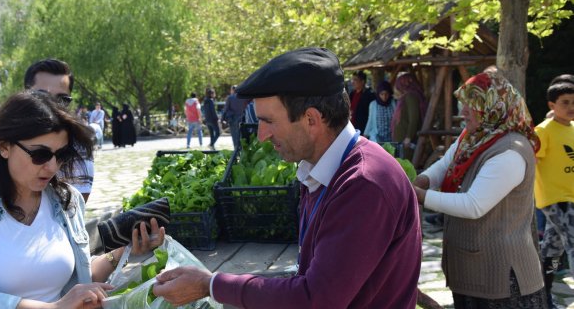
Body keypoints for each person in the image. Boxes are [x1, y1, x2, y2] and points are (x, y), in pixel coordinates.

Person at [153, 47, 421, 308]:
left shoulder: (364, 184)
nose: (262, 135)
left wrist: (211, 285)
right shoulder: (324, 169)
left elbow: (315, 299)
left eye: (269, 121)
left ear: (311, 119)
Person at [0, 91, 164, 308]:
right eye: (40, 154)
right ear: (4, 146)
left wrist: (123, 251)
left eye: (61, 155)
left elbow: (74, 281)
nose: (52, 166)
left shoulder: (67, 199)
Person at [411, 70, 546, 308]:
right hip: (473, 274)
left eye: (471, 105)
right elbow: (445, 165)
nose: (463, 111)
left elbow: (474, 205)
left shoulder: (511, 150)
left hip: (502, 281)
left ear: (493, 106)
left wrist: (419, 196)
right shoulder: (475, 136)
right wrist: (421, 181)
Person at [24, 58, 95, 202]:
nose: (51, 104)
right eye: (42, 96)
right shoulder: (4, 136)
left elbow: (75, 207)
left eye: (62, 99)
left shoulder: (78, 144)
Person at [534, 75, 574, 308]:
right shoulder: (543, 131)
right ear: (552, 106)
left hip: (571, 197)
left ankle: (542, 295)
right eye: (565, 102)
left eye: (573, 102)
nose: (570, 107)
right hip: (556, 199)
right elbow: (532, 162)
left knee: (552, 249)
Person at [391, 72, 426, 160]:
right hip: (402, 139)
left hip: (406, 141)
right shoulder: (405, 96)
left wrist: (409, 137)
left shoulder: (411, 96)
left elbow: (414, 118)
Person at [222, 85, 249, 150]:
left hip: (233, 119)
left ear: (232, 90)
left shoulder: (230, 97)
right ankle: (242, 151)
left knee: (235, 137)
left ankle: (236, 151)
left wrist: (222, 119)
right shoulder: (243, 97)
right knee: (242, 136)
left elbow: (225, 109)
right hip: (243, 119)